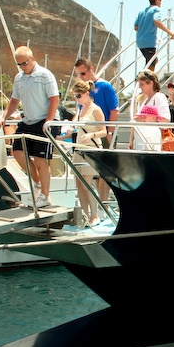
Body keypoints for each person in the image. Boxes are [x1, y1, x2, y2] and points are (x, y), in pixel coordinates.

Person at [0, 46, 60, 208]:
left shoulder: (45, 75)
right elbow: (14, 100)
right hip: (28, 121)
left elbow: (54, 99)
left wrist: (48, 121)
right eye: (19, 64)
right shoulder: (19, 78)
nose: (23, 67)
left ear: (32, 59)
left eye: (25, 63)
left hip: (45, 121)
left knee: (40, 159)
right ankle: (38, 184)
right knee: (17, 152)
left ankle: (45, 196)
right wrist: (4, 117)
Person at [74, 57, 118, 203]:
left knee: (104, 172)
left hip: (103, 133)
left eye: (83, 73)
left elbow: (114, 110)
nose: (81, 77)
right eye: (78, 74)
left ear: (91, 69)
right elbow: (80, 111)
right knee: (87, 174)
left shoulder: (105, 86)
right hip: (87, 134)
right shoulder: (81, 91)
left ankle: (102, 204)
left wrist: (110, 132)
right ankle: (95, 205)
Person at [66, 79, 106, 227]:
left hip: (90, 150)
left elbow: (104, 131)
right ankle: (84, 214)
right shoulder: (80, 109)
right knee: (79, 184)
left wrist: (91, 135)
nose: (77, 99)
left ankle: (94, 215)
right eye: (75, 96)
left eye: (78, 95)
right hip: (78, 149)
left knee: (87, 183)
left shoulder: (96, 110)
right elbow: (75, 128)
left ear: (87, 93)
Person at [134, 0, 174, 68]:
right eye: (160, 0)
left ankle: (143, 74)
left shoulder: (141, 12)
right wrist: (170, 33)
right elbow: (157, 21)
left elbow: (136, 28)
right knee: (152, 63)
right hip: (149, 42)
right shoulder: (156, 9)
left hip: (140, 42)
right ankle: (144, 75)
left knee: (154, 60)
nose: (161, 2)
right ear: (157, 0)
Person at [131, 69, 170, 150]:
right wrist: (131, 140)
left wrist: (145, 119)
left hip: (152, 141)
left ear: (151, 83)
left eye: (142, 84)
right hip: (141, 141)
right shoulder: (144, 100)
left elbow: (166, 121)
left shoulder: (159, 97)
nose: (140, 87)